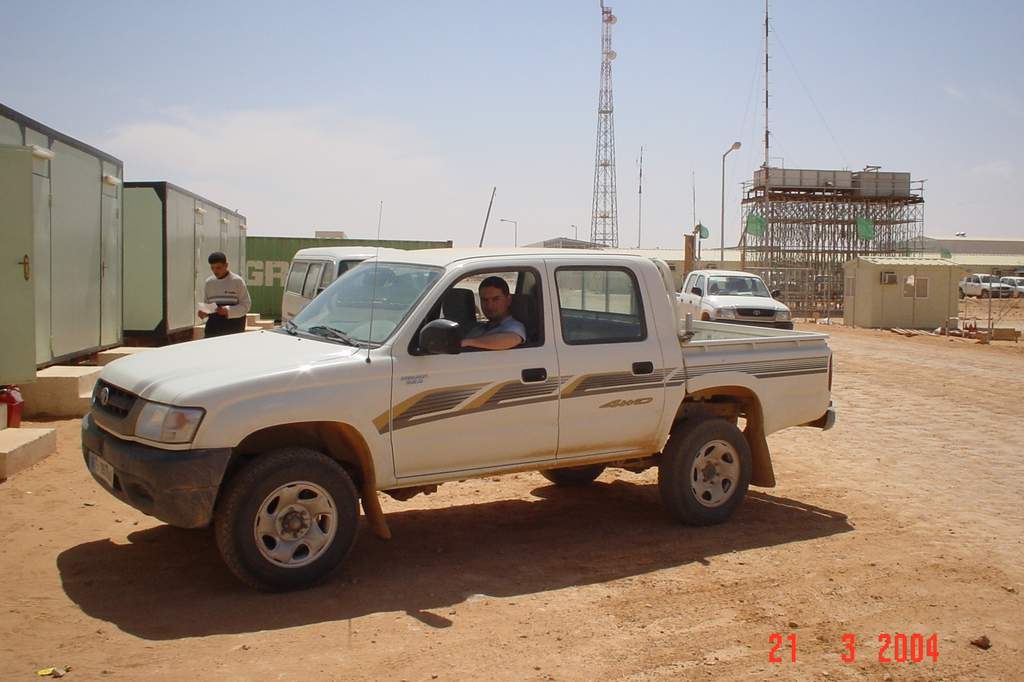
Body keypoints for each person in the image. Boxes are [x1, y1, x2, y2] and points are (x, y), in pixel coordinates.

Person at [460, 276, 526, 350]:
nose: (489, 305)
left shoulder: (514, 326)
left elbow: (512, 339)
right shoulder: (478, 328)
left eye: (495, 299)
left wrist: (467, 342)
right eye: (484, 300)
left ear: (508, 300)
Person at [198, 251, 252, 337]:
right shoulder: (209, 283)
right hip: (212, 330)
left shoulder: (237, 281)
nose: (215, 271)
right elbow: (207, 306)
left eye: (218, 268)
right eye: (212, 268)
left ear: (226, 265)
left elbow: (246, 306)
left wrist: (228, 310)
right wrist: (203, 312)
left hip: (233, 330)